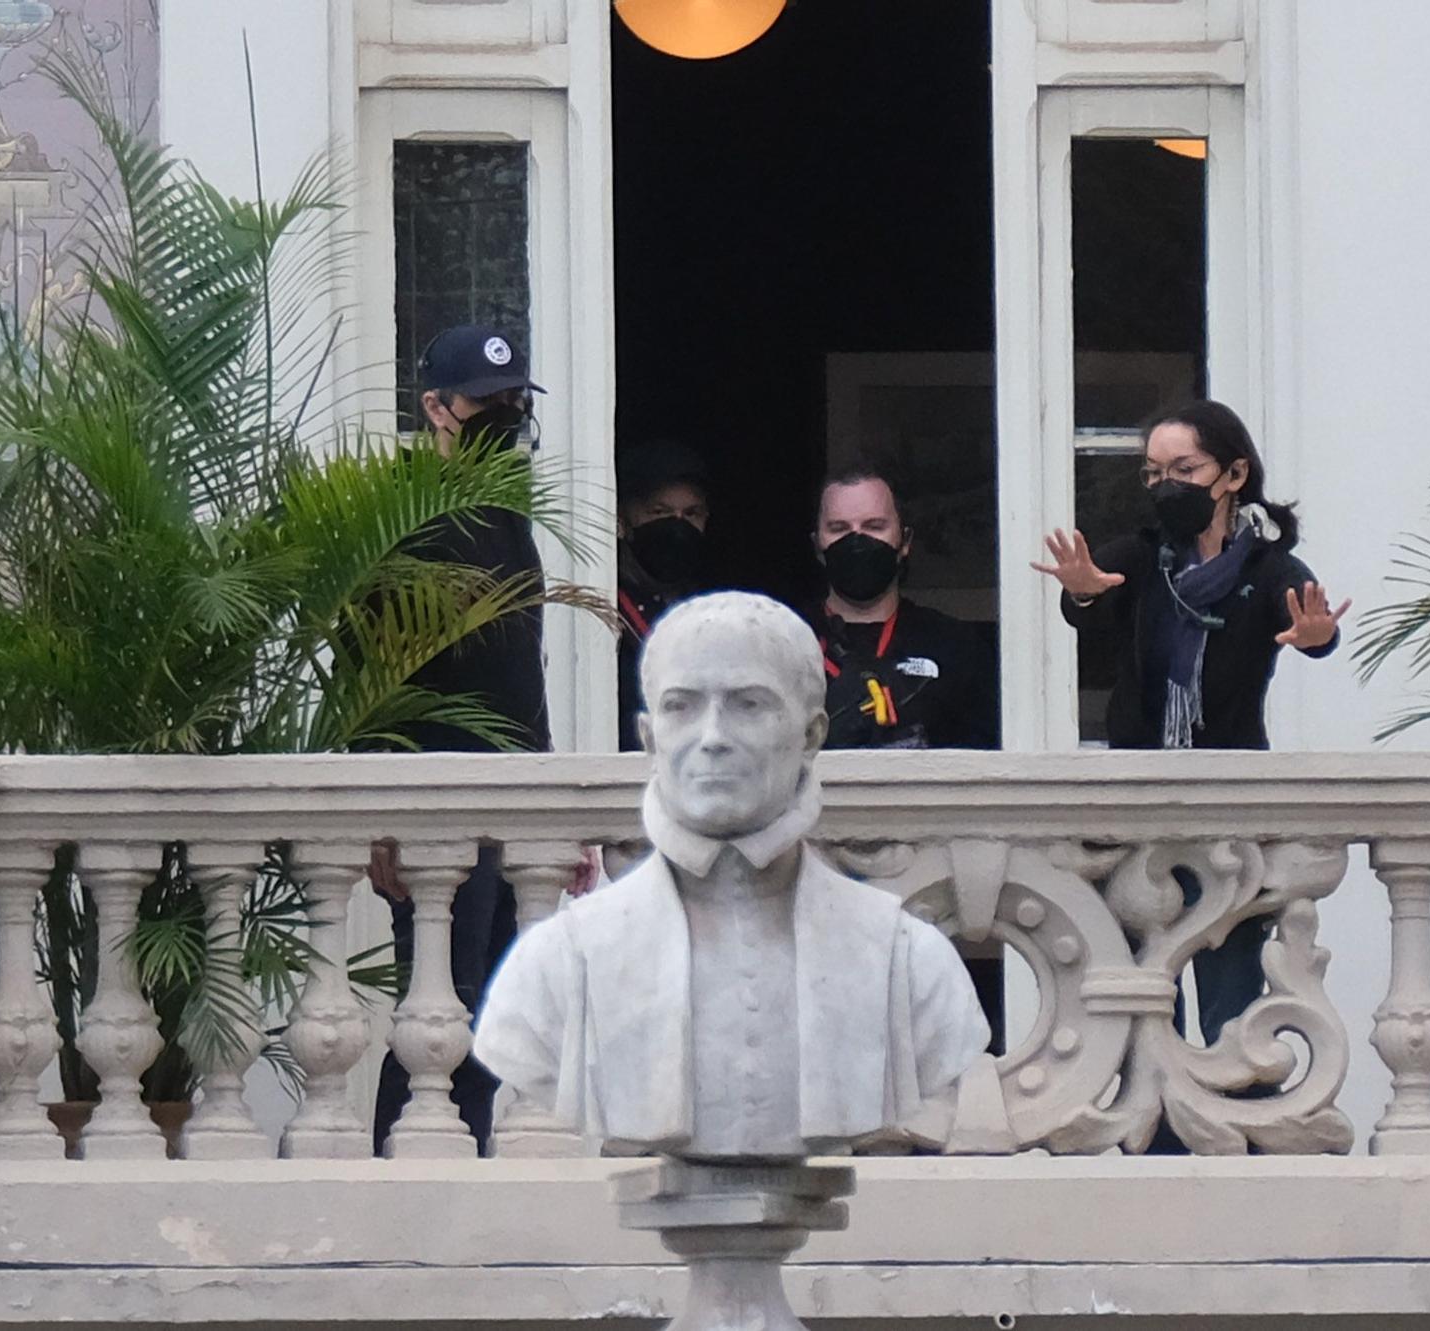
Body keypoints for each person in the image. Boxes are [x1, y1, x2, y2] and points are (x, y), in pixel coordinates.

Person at [472, 591, 991, 1158]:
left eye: (748, 704)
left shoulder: (909, 963)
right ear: (648, 737)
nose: (712, 736)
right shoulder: (554, 968)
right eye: (681, 706)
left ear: (812, 736)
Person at [1032, 399, 1348, 1138]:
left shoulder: (1268, 567)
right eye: (1153, 472)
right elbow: (1090, 600)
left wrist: (1317, 635)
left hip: (1230, 809)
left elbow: (1312, 623)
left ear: (1234, 473)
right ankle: (1159, 1143)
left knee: (1230, 986)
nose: (1166, 485)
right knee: (1142, 987)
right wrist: (1078, 587)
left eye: (1185, 470)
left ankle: (1234, 1137)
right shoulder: (1143, 557)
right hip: (1138, 803)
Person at [367, 323, 550, 1157]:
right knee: (441, 1004)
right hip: (435, 801)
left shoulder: (510, 514)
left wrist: (552, 807)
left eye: (514, 399)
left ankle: (472, 1162)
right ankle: (402, 1169)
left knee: (500, 1009)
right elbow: (370, 678)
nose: (505, 413)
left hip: (513, 802)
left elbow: (521, 671)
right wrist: (378, 814)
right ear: (437, 408)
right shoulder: (402, 518)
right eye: (487, 399)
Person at [811, 468, 999, 752]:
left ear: (905, 542)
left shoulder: (955, 646)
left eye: (874, 526)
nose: (857, 541)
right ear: (817, 546)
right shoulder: (785, 644)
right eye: (839, 529)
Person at [616, 439, 714, 751]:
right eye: (660, 511)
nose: (677, 526)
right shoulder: (600, 608)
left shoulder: (714, 612)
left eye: (691, 513)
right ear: (624, 520)